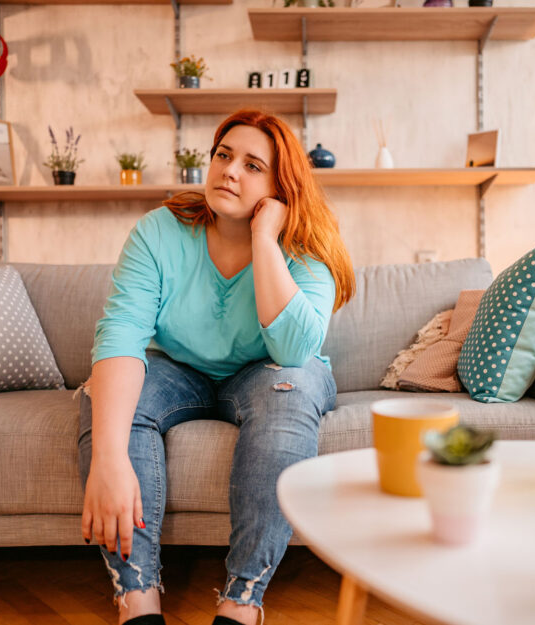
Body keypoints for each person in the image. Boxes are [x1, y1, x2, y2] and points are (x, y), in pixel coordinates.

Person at [78, 108, 355, 625]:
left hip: (268, 371)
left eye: (253, 165)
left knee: (291, 388)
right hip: (179, 368)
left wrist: (265, 239)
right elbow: (120, 339)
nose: (229, 171)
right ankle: (137, 599)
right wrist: (108, 457)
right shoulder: (159, 232)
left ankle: (242, 600)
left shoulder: (307, 246)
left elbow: (293, 350)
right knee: (109, 392)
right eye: (224, 155)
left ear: (281, 186)